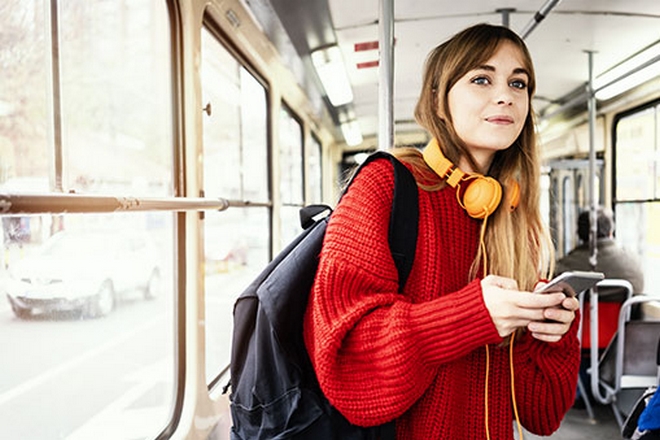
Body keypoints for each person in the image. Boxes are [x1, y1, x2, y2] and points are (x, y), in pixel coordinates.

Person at [303, 23, 581, 439]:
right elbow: (347, 366)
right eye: (481, 79)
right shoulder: (384, 187)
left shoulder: (512, 217)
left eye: (518, 83)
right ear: (438, 100)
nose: (505, 94)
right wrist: (471, 316)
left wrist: (552, 336)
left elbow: (542, 415)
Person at [555, 207, 644, 407]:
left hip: (580, 337)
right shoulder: (632, 264)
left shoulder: (565, 266)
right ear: (611, 231)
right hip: (618, 340)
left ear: (580, 234)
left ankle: (576, 392)